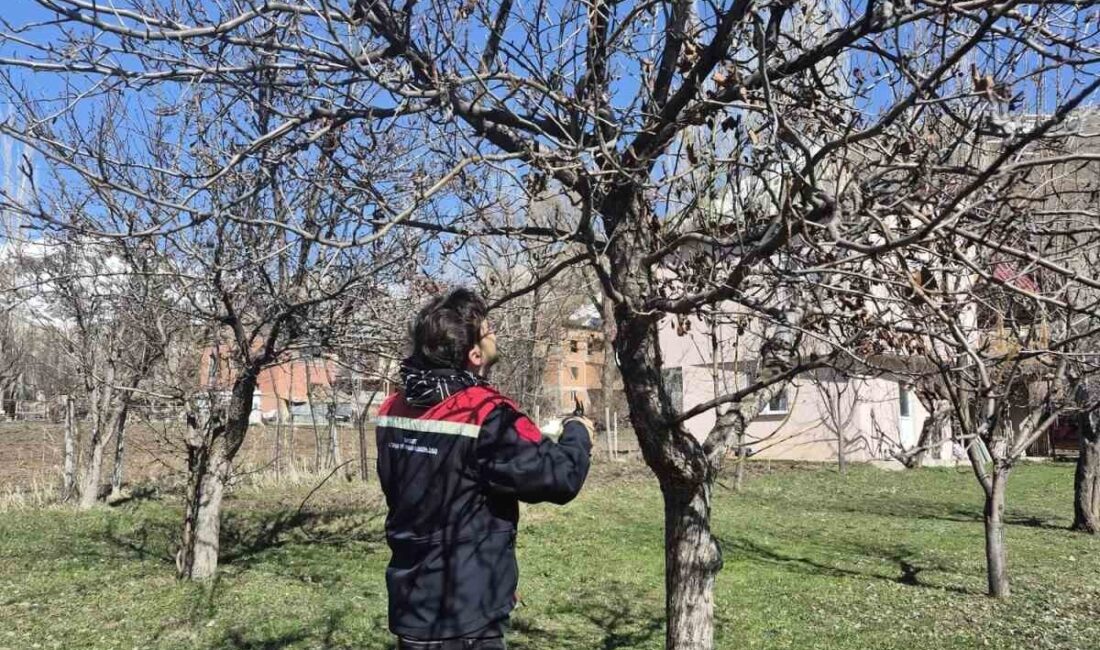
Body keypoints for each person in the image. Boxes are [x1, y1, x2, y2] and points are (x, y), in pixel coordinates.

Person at [376, 288, 593, 650]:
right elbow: (560, 476)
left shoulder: (392, 408)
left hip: (412, 601)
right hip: (466, 613)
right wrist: (577, 432)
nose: (495, 336)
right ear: (475, 353)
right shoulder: (485, 413)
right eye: (490, 331)